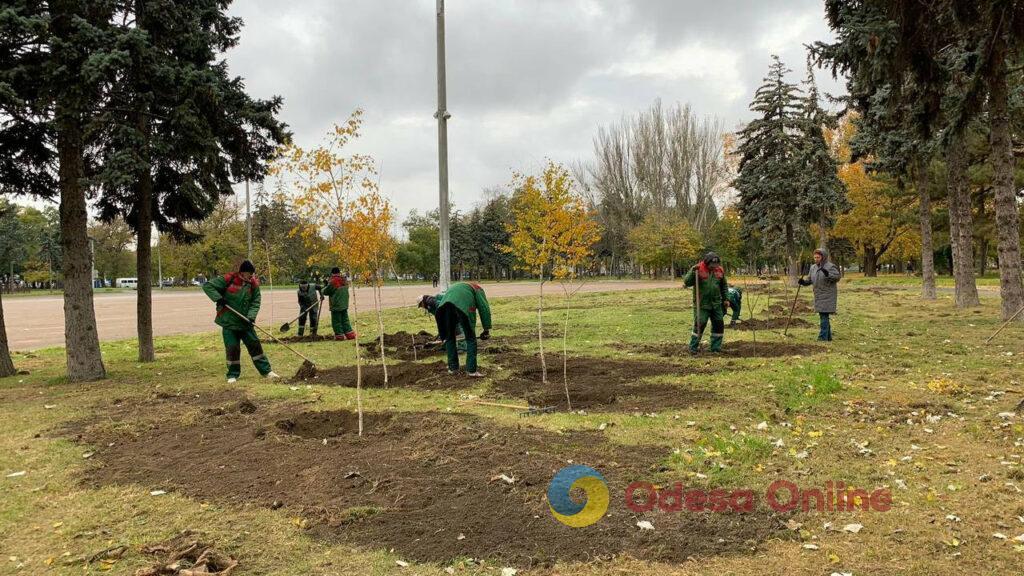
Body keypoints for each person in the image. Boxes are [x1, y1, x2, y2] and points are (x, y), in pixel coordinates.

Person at [202, 260, 278, 383]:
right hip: (229, 322)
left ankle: (267, 371)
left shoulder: (253, 284)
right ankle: (232, 374)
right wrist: (219, 298)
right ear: (243, 272)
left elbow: (255, 301)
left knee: (255, 346)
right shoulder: (229, 279)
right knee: (232, 348)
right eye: (250, 273)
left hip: (245, 323)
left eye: (253, 274)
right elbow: (208, 286)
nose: (252, 276)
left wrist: (251, 317)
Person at [418, 282, 492, 376]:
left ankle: (453, 369)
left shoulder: (458, 287)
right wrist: (486, 329)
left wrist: (445, 332)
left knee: (449, 338)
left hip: (443, 309)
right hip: (462, 307)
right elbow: (484, 308)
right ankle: (471, 370)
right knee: (470, 339)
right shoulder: (478, 290)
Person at [683, 252, 729, 354]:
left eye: (716, 265)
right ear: (707, 263)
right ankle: (693, 348)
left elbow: (724, 286)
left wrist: (726, 299)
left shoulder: (720, 270)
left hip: (716, 303)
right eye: (712, 265)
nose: (714, 267)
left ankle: (715, 348)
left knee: (718, 324)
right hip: (702, 303)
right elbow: (687, 282)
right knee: (700, 323)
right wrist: (692, 272)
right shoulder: (698, 269)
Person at [799, 248, 841, 341]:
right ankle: (828, 337)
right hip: (818, 295)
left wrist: (828, 274)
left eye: (818, 257)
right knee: (823, 315)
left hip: (828, 295)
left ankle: (822, 337)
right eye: (815, 257)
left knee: (823, 315)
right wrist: (803, 282)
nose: (816, 259)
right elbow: (810, 280)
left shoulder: (830, 266)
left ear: (823, 257)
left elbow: (837, 277)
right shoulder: (813, 267)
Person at [321, 267, 356, 340]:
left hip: (336, 304)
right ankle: (350, 334)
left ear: (332, 273)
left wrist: (324, 286)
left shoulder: (333, 281)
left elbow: (326, 292)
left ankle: (339, 336)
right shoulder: (344, 280)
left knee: (336, 321)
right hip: (344, 304)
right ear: (339, 272)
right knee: (345, 320)